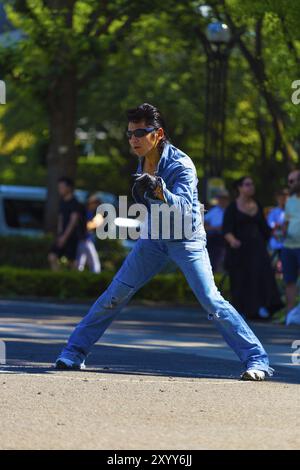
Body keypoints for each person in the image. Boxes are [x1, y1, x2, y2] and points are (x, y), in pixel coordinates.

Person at [55, 103, 273, 381]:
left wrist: (161, 191)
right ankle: (74, 353)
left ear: (158, 134)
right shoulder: (142, 158)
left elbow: (183, 205)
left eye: (140, 133)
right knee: (114, 295)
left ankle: (257, 359)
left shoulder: (182, 164)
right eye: (130, 134)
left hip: (186, 239)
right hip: (154, 238)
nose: (133, 139)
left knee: (211, 300)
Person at [223, 176, 283, 321]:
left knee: (261, 277)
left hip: (258, 249)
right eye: (247, 184)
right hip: (240, 250)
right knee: (241, 279)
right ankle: (241, 311)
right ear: (240, 188)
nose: (251, 187)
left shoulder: (257, 204)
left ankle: (258, 310)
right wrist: (233, 241)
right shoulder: (232, 207)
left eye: (252, 184)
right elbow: (226, 230)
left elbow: (264, 227)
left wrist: (274, 233)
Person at [48, 177, 86, 271]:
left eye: (62, 187)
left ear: (69, 188)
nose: (60, 189)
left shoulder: (75, 203)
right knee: (52, 256)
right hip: (62, 235)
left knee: (72, 262)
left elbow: (73, 221)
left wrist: (64, 237)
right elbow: (61, 219)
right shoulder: (62, 202)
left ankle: (70, 280)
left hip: (72, 237)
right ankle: (59, 278)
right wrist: (60, 234)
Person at [281, 170, 300, 315]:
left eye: (292, 181)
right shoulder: (290, 201)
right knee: (289, 281)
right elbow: (286, 223)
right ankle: (290, 314)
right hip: (288, 247)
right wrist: (281, 233)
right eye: (289, 181)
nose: (290, 184)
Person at [204, 189, 229, 272]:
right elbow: (203, 225)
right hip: (215, 239)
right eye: (220, 198)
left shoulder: (231, 210)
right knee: (214, 261)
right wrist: (215, 228)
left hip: (228, 239)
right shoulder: (213, 211)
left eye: (224, 198)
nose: (222, 200)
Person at [76, 195, 103, 273]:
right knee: (95, 264)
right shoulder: (84, 211)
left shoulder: (91, 212)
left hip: (86, 239)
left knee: (80, 261)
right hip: (85, 240)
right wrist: (96, 223)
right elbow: (86, 226)